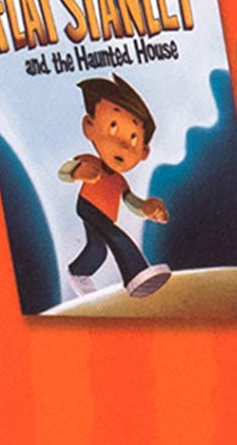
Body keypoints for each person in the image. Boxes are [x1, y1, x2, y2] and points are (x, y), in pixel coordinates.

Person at [59, 76, 170, 297]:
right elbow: (64, 172)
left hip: (105, 215)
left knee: (98, 250)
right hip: (88, 206)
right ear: (89, 127)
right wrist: (77, 172)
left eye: (134, 138)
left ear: (144, 152)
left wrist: (147, 208)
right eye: (113, 126)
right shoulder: (90, 161)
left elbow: (132, 202)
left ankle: (79, 272)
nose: (124, 144)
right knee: (116, 237)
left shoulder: (120, 181)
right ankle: (136, 274)